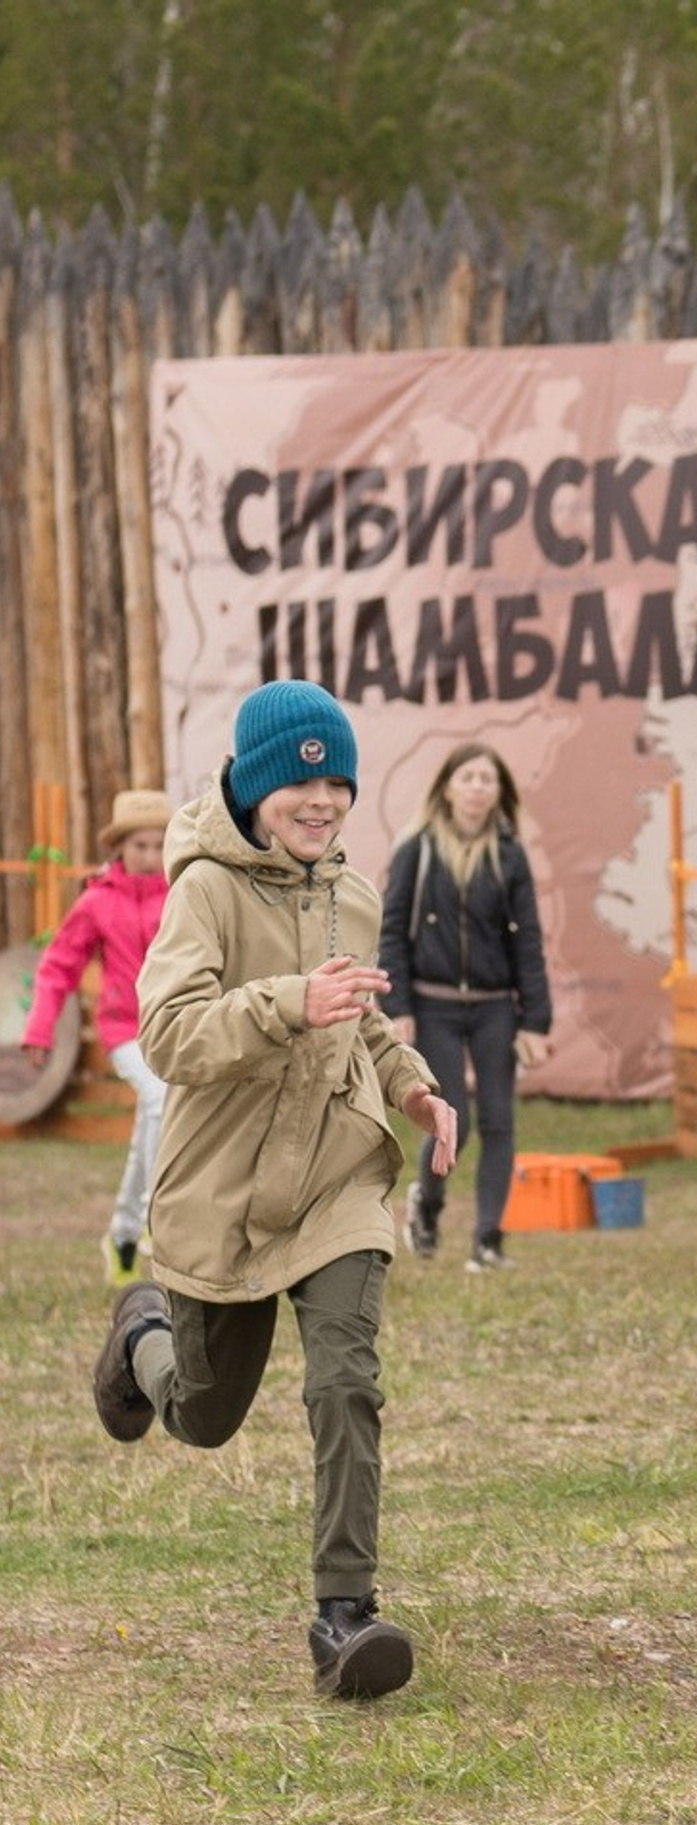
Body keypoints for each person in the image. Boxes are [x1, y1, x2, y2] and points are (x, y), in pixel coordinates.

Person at [90, 680, 459, 1701]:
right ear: (257, 788)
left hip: (337, 1173)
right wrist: (291, 1001)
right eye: (303, 784)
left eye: (339, 784)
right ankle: (142, 1334)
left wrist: (411, 1086)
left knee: (346, 1381)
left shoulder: (352, 894)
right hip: (226, 1186)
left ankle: (345, 1617)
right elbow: (169, 1036)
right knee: (204, 1415)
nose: (323, 802)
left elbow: (361, 1017)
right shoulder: (204, 892)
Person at [378, 742, 552, 1273]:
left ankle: (488, 1241)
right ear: (448, 788)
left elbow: (528, 941)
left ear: (499, 792)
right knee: (455, 1119)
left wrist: (535, 1021)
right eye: (467, 777)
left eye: (487, 779)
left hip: (495, 1005)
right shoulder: (417, 850)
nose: (477, 787)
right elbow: (392, 932)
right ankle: (427, 1206)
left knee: (500, 1121)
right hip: (433, 1005)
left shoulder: (509, 855)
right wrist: (398, 1005)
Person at [19, 789, 173, 1283]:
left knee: (152, 1120)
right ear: (119, 847)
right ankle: (156, 1219)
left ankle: (123, 1234)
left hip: (174, 1028)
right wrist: (40, 1029)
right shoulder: (97, 902)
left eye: (159, 845)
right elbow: (59, 966)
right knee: (159, 1099)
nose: (150, 855)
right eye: (140, 845)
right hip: (124, 1029)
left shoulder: (183, 894)